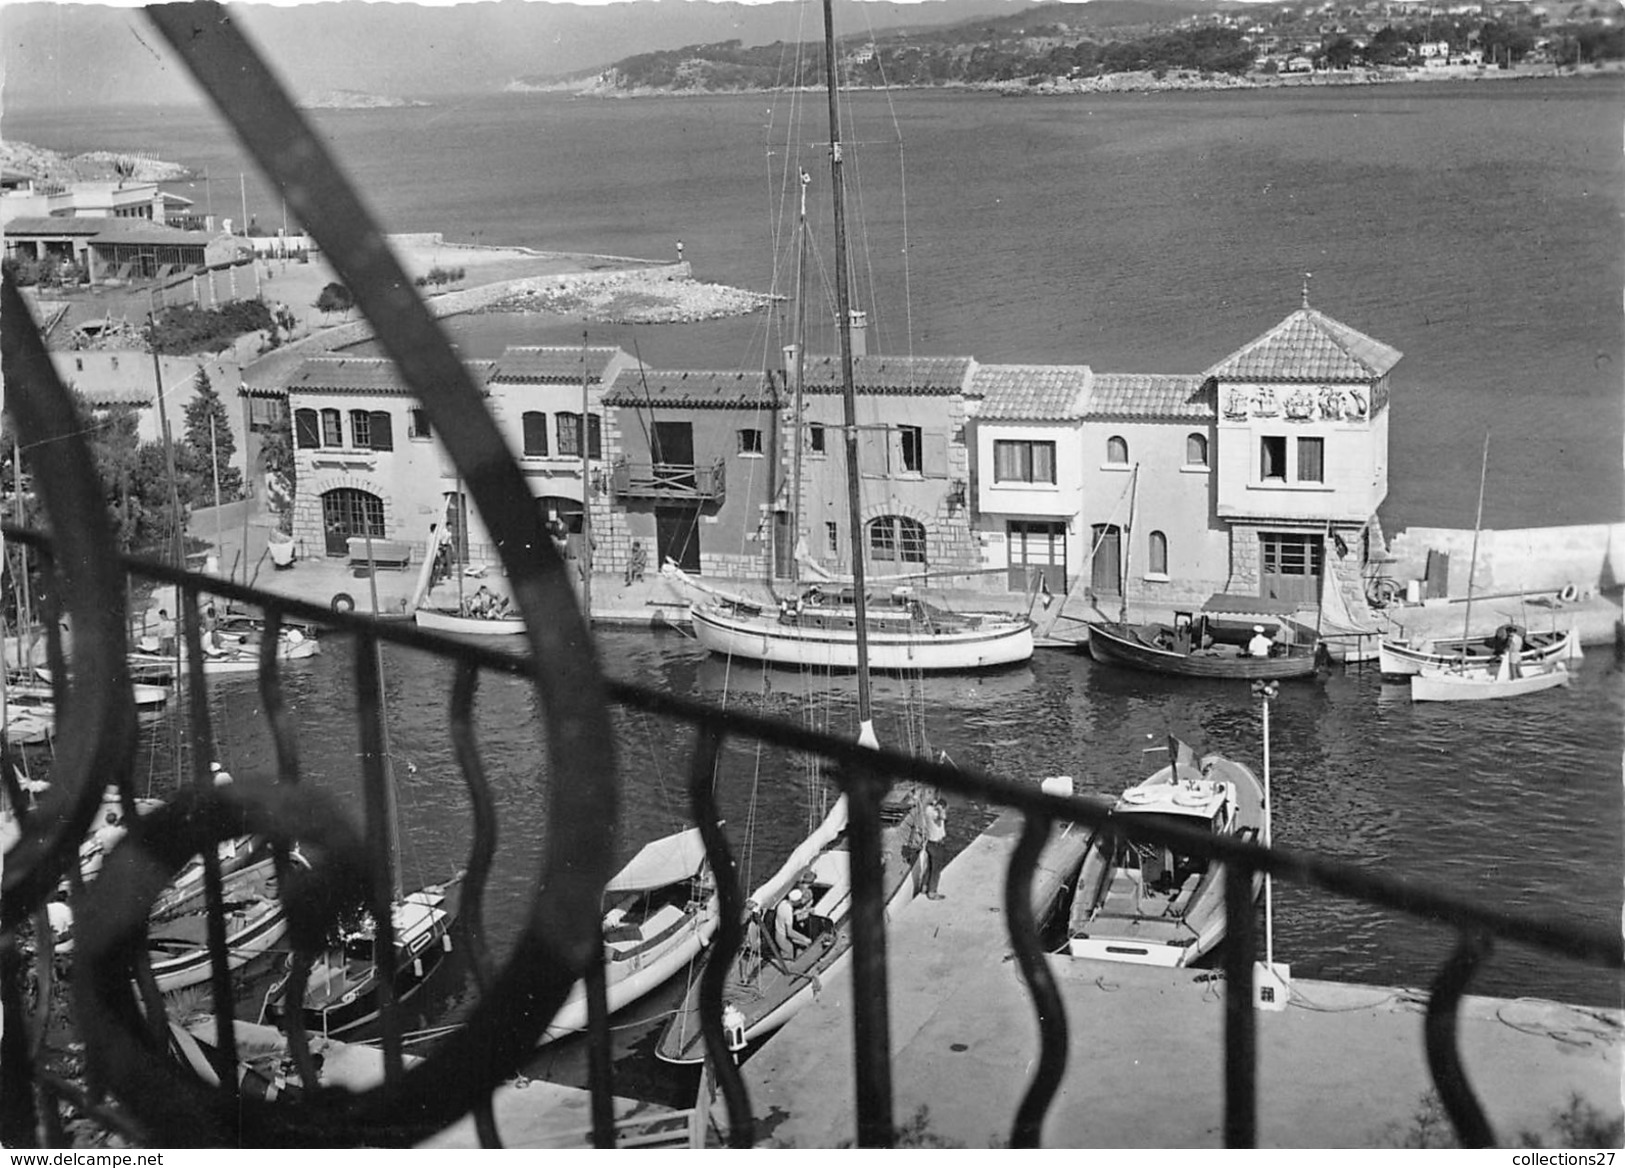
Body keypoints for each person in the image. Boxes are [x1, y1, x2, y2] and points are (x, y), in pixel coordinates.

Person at [773, 889, 813, 956]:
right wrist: (805, 939)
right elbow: (790, 932)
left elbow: (791, 914)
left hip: (778, 933)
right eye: (800, 900)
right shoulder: (788, 912)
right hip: (783, 939)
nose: (801, 902)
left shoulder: (783, 903)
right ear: (796, 901)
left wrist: (804, 911)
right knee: (793, 955)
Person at [924, 797, 948, 900]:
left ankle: (924, 887)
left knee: (929, 867)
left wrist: (935, 805)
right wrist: (940, 809)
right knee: (936, 869)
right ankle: (932, 892)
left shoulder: (927, 810)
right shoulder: (935, 814)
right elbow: (943, 817)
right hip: (937, 844)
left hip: (929, 843)